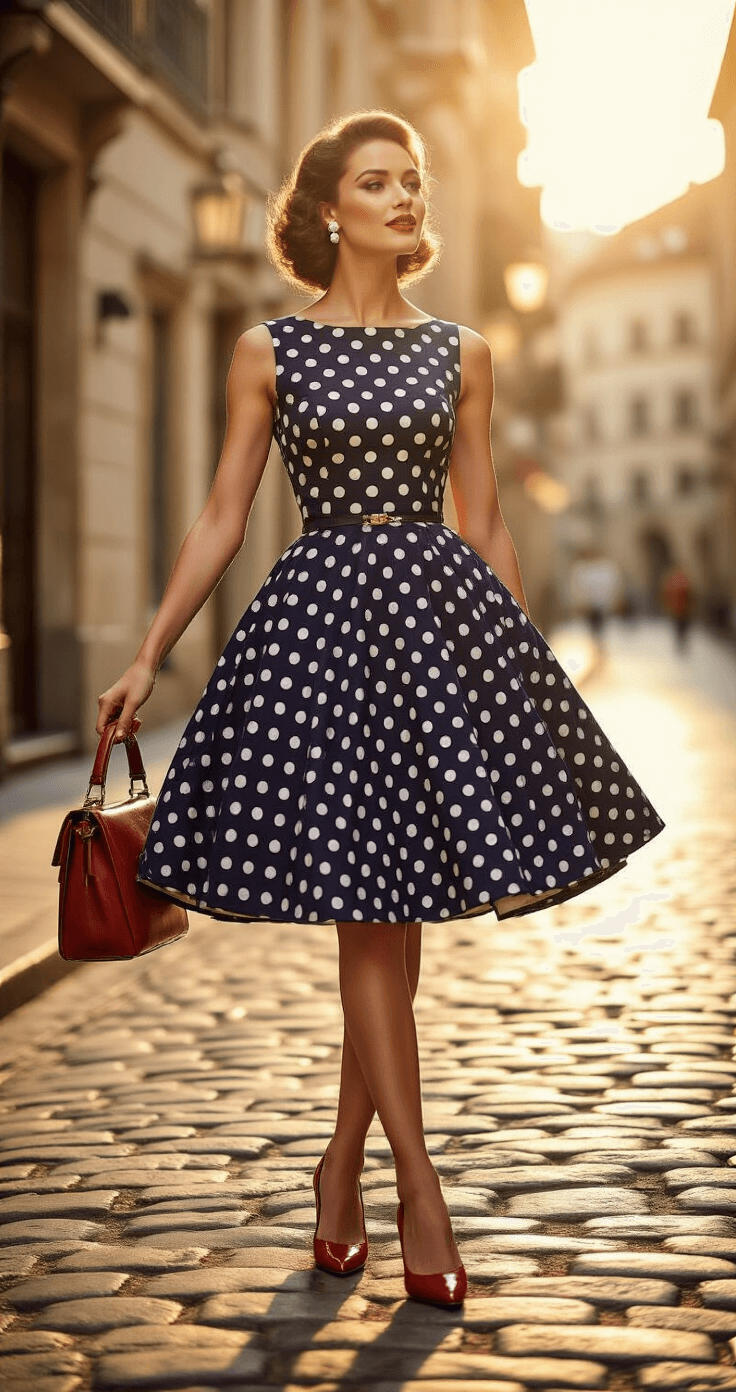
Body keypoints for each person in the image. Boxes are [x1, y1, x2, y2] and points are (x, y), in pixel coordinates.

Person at [96, 110, 666, 1307]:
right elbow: (221, 518)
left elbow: (486, 517)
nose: (405, 197)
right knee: (371, 925)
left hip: (440, 638)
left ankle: (340, 1169)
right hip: (318, 648)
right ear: (326, 211)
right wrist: (151, 651)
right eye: (377, 182)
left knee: (390, 929)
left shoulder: (462, 350)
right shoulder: (267, 350)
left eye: (412, 181)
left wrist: (516, 665)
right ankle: (420, 1186)